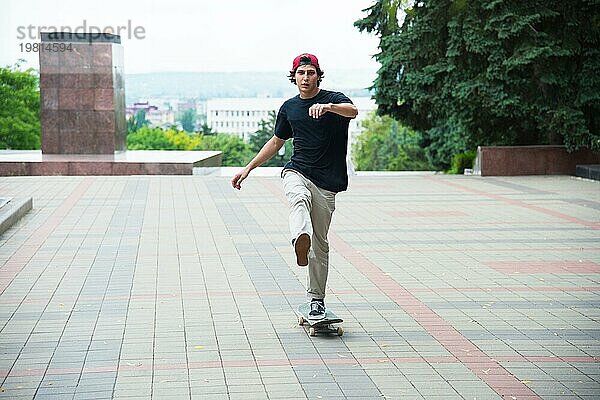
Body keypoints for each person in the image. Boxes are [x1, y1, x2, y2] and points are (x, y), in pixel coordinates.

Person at [231, 53, 358, 320]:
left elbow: (353, 111)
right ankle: (300, 238)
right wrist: (248, 168)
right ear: (294, 77)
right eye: (301, 73)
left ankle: (316, 300)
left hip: (327, 183)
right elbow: (276, 142)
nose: (306, 78)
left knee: (321, 245)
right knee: (298, 197)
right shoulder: (289, 108)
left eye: (311, 73)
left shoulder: (335, 99)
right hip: (297, 170)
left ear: (317, 75)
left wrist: (328, 108)